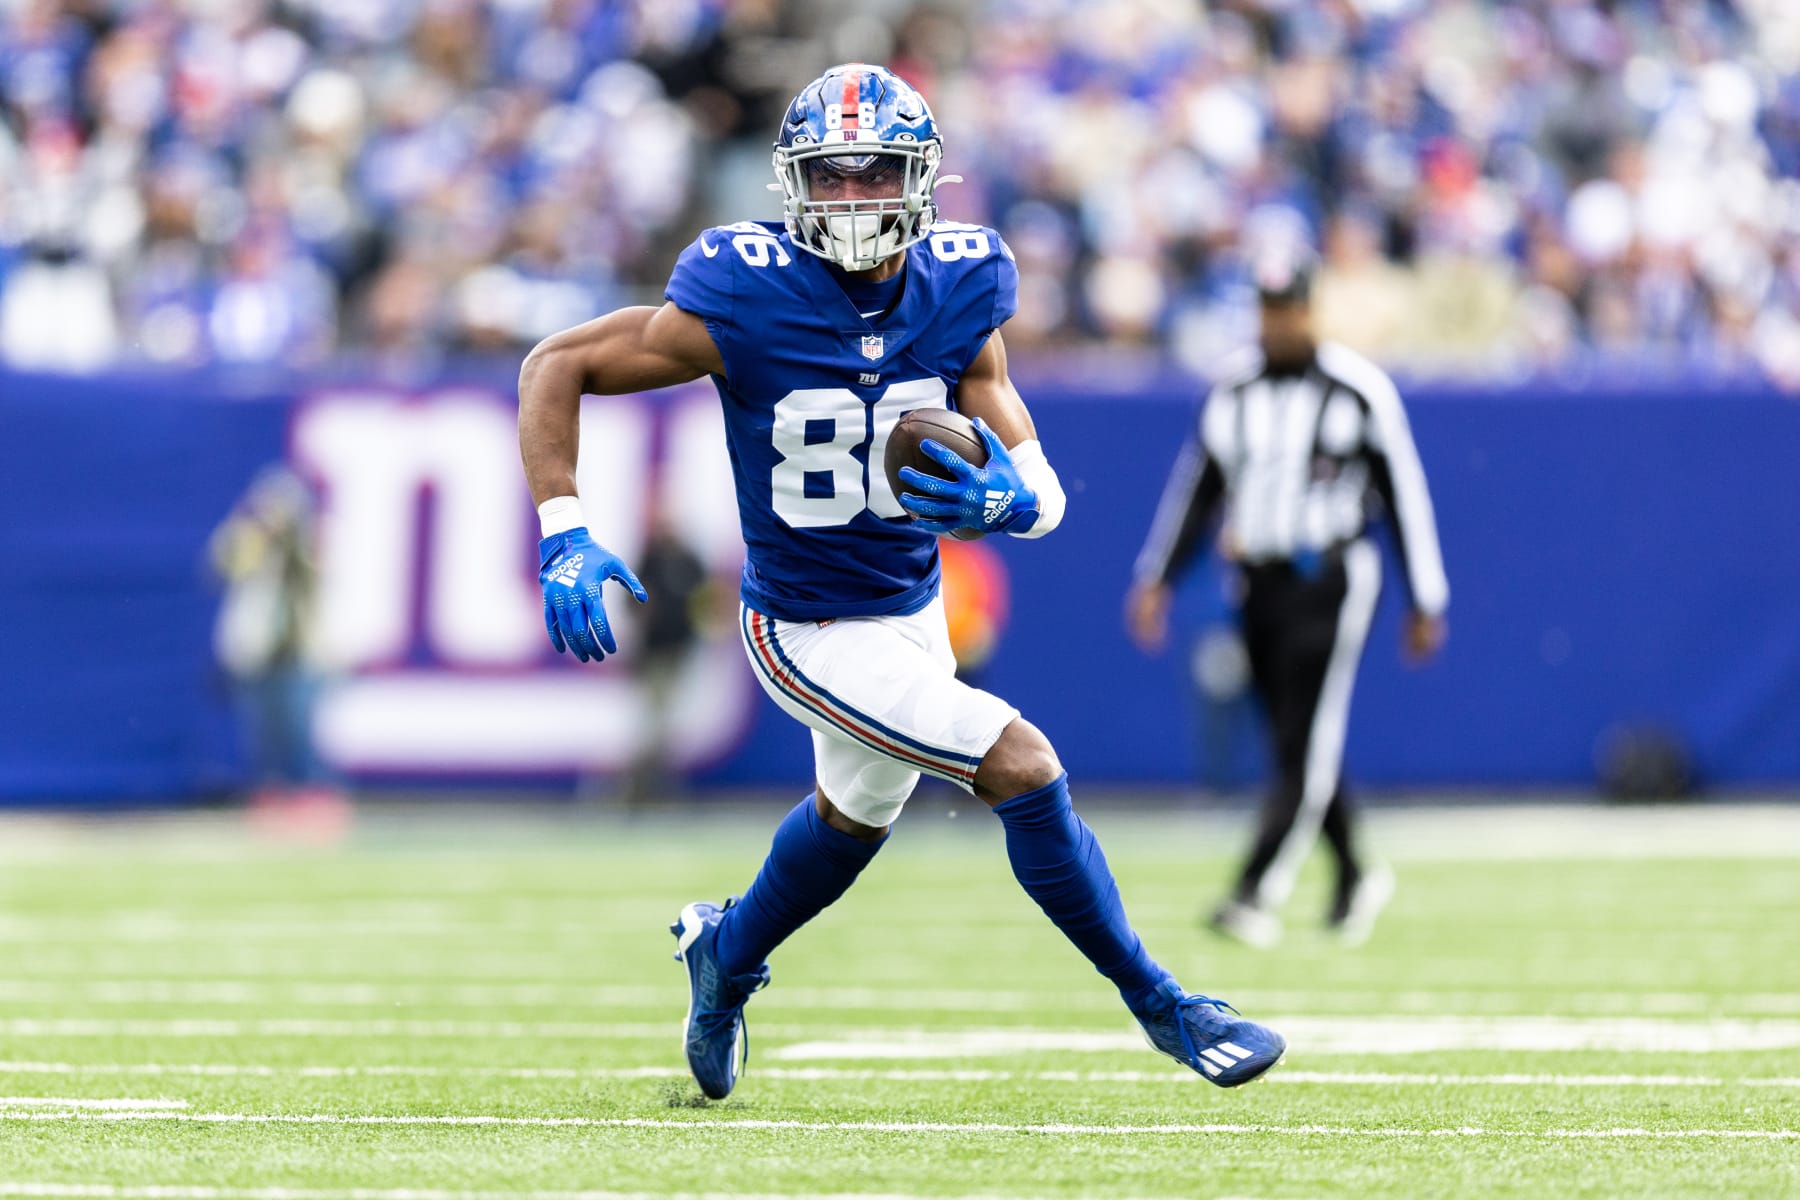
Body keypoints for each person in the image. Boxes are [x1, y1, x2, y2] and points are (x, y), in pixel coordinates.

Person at [517, 64, 1285, 1100]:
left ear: (921, 180)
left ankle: (726, 958)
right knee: (1023, 764)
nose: (850, 200)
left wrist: (1025, 500)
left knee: (852, 819)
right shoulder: (744, 289)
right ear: (792, 187)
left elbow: (1007, 415)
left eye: (873, 174)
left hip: (911, 608)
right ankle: (1167, 1006)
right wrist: (565, 528)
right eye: (827, 180)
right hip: (805, 622)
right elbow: (555, 365)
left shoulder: (962, 282)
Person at [1126, 254, 1449, 949]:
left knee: (1303, 741)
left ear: (1312, 309)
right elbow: (1199, 489)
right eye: (1268, 308)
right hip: (1258, 582)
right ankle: (1357, 872)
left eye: (1289, 307)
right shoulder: (1233, 390)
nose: (1278, 322)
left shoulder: (1358, 389)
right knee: (1295, 743)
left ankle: (1253, 891)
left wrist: (1425, 596)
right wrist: (1157, 577)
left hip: (1332, 577)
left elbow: (1404, 493)